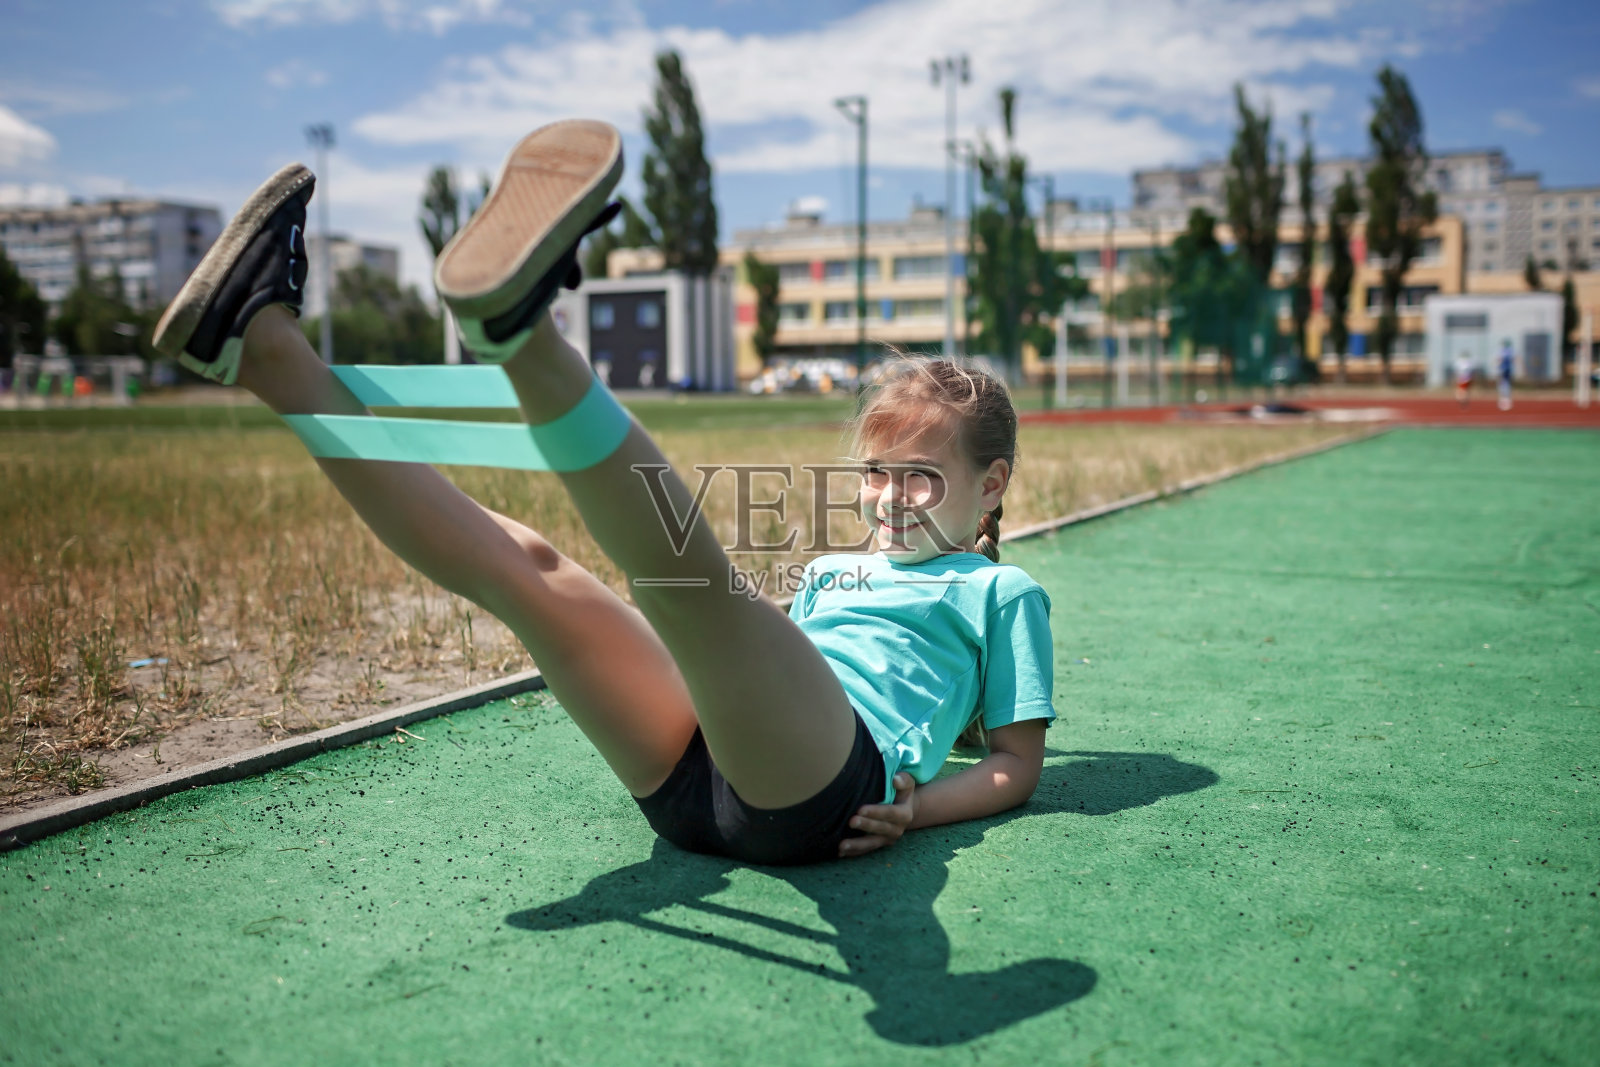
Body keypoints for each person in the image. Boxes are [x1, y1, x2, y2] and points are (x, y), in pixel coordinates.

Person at [151, 120, 1055, 867]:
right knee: (528, 570)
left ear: (992, 485)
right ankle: (266, 347)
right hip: (695, 780)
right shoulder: (828, 572)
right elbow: (759, 679)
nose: (893, 497)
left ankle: (520, 328)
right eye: (877, 473)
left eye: (922, 476)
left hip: (827, 795)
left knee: (691, 583)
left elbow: (1014, 765)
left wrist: (917, 806)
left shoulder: (996, 592)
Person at [1496, 339, 1515, 412]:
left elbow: (1499, 360)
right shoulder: (1511, 350)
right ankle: (1507, 401)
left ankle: (1503, 401)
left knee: (1502, 385)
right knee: (1507, 385)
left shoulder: (1502, 351)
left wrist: (1497, 367)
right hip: (1508, 370)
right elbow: (1514, 359)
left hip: (1503, 370)